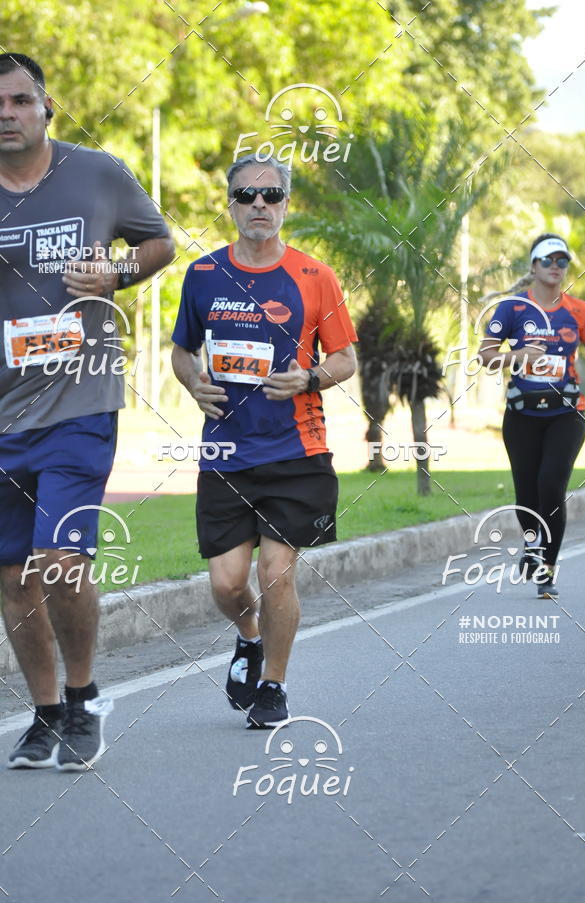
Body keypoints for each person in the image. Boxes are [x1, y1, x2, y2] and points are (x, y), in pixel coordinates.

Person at [0, 53, 175, 770]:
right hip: (3, 411)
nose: (7, 114)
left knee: (60, 560)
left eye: (19, 100)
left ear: (46, 107)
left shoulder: (97, 172)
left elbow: (159, 242)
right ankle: (44, 714)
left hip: (81, 399)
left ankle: (83, 696)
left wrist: (118, 271)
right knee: (12, 577)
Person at [171, 153, 357, 728]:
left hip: (297, 451)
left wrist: (309, 378)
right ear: (230, 204)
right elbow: (182, 351)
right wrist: (193, 384)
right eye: (247, 195)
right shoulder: (203, 274)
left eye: (271, 195)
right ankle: (249, 637)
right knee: (228, 585)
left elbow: (345, 359)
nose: (259, 205)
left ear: (285, 204)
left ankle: (273, 686)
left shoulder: (315, 276)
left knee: (276, 572)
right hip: (226, 452)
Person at [478, 233, 585, 598]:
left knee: (552, 484)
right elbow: (485, 356)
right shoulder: (511, 309)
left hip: (567, 413)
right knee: (527, 492)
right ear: (533, 266)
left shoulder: (580, 311)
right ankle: (532, 543)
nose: (555, 267)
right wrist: (518, 357)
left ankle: (546, 569)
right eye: (548, 260)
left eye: (562, 261)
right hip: (522, 415)